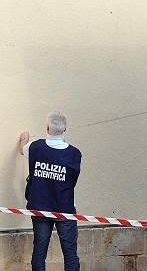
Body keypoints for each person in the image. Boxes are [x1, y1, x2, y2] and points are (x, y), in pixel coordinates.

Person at [17, 111, 82, 271]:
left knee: (39, 251)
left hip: (40, 208)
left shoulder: (35, 147)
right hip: (65, 210)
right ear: (65, 129)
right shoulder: (75, 154)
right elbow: (72, 181)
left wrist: (24, 137)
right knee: (70, 254)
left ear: (47, 128)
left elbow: (21, 150)